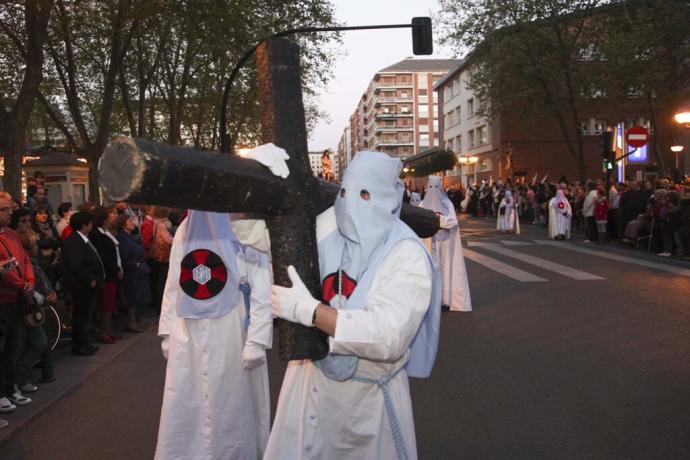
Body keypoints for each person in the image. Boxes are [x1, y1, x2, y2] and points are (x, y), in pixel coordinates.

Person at [267, 151, 441, 460]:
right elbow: (259, 240)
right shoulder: (329, 223)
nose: (351, 204)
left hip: (368, 403)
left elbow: (389, 335)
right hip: (311, 388)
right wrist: (263, 182)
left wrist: (312, 312)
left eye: (365, 194)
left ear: (390, 198)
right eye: (346, 191)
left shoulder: (407, 254)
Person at [155, 211, 273, 460]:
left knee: (232, 404)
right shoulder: (186, 228)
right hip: (187, 328)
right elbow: (174, 279)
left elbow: (261, 282)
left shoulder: (246, 224)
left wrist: (258, 339)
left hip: (231, 327)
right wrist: (167, 329)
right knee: (186, 402)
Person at [0, 194, 36, 419]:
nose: (10, 212)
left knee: (14, 347)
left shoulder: (12, 234)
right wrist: (23, 284)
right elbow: (3, 269)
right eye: (5, 209)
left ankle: (10, 388)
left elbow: (24, 260)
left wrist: (29, 283)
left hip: (18, 300)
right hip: (4, 301)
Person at [421, 175, 472, 312]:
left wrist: (438, 219)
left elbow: (453, 221)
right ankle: (432, 300)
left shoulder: (447, 203)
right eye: (431, 187)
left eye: (436, 187)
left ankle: (445, 299)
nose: (433, 190)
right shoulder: (422, 204)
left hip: (446, 242)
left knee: (446, 269)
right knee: (432, 271)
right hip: (429, 242)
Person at [61, 211, 105, 356]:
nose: (91, 226)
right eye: (90, 223)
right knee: (81, 316)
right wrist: (89, 279)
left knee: (87, 314)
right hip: (80, 286)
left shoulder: (83, 239)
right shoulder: (74, 241)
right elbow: (76, 265)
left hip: (87, 284)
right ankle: (80, 345)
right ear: (84, 225)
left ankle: (86, 342)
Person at [90, 206, 123, 343]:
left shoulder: (105, 233)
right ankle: (104, 332)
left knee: (109, 304)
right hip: (106, 274)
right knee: (105, 305)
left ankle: (108, 330)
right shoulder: (97, 235)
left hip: (111, 273)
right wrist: (116, 268)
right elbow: (104, 256)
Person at [116, 214, 149, 332]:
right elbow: (124, 257)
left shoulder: (130, 236)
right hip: (132, 272)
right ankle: (131, 322)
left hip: (138, 271)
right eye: (130, 221)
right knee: (132, 298)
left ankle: (134, 321)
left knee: (137, 298)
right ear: (123, 224)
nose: (133, 223)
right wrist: (136, 264)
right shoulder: (122, 237)